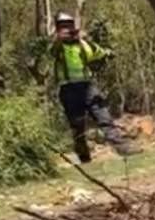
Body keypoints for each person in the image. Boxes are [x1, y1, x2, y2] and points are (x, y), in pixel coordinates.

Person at [51, 12, 128, 162]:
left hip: (88, 87)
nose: (67, 29)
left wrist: (108, 53)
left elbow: (98, 52)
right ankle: (84, 158)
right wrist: (59, 38)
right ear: (58, 28)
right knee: (77, 126)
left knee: (104, 117)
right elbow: (52, 50)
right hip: (69, 90)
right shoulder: (57, 46)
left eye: (69, 26)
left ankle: (123, 148)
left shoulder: (83, 43)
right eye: (63, 26)